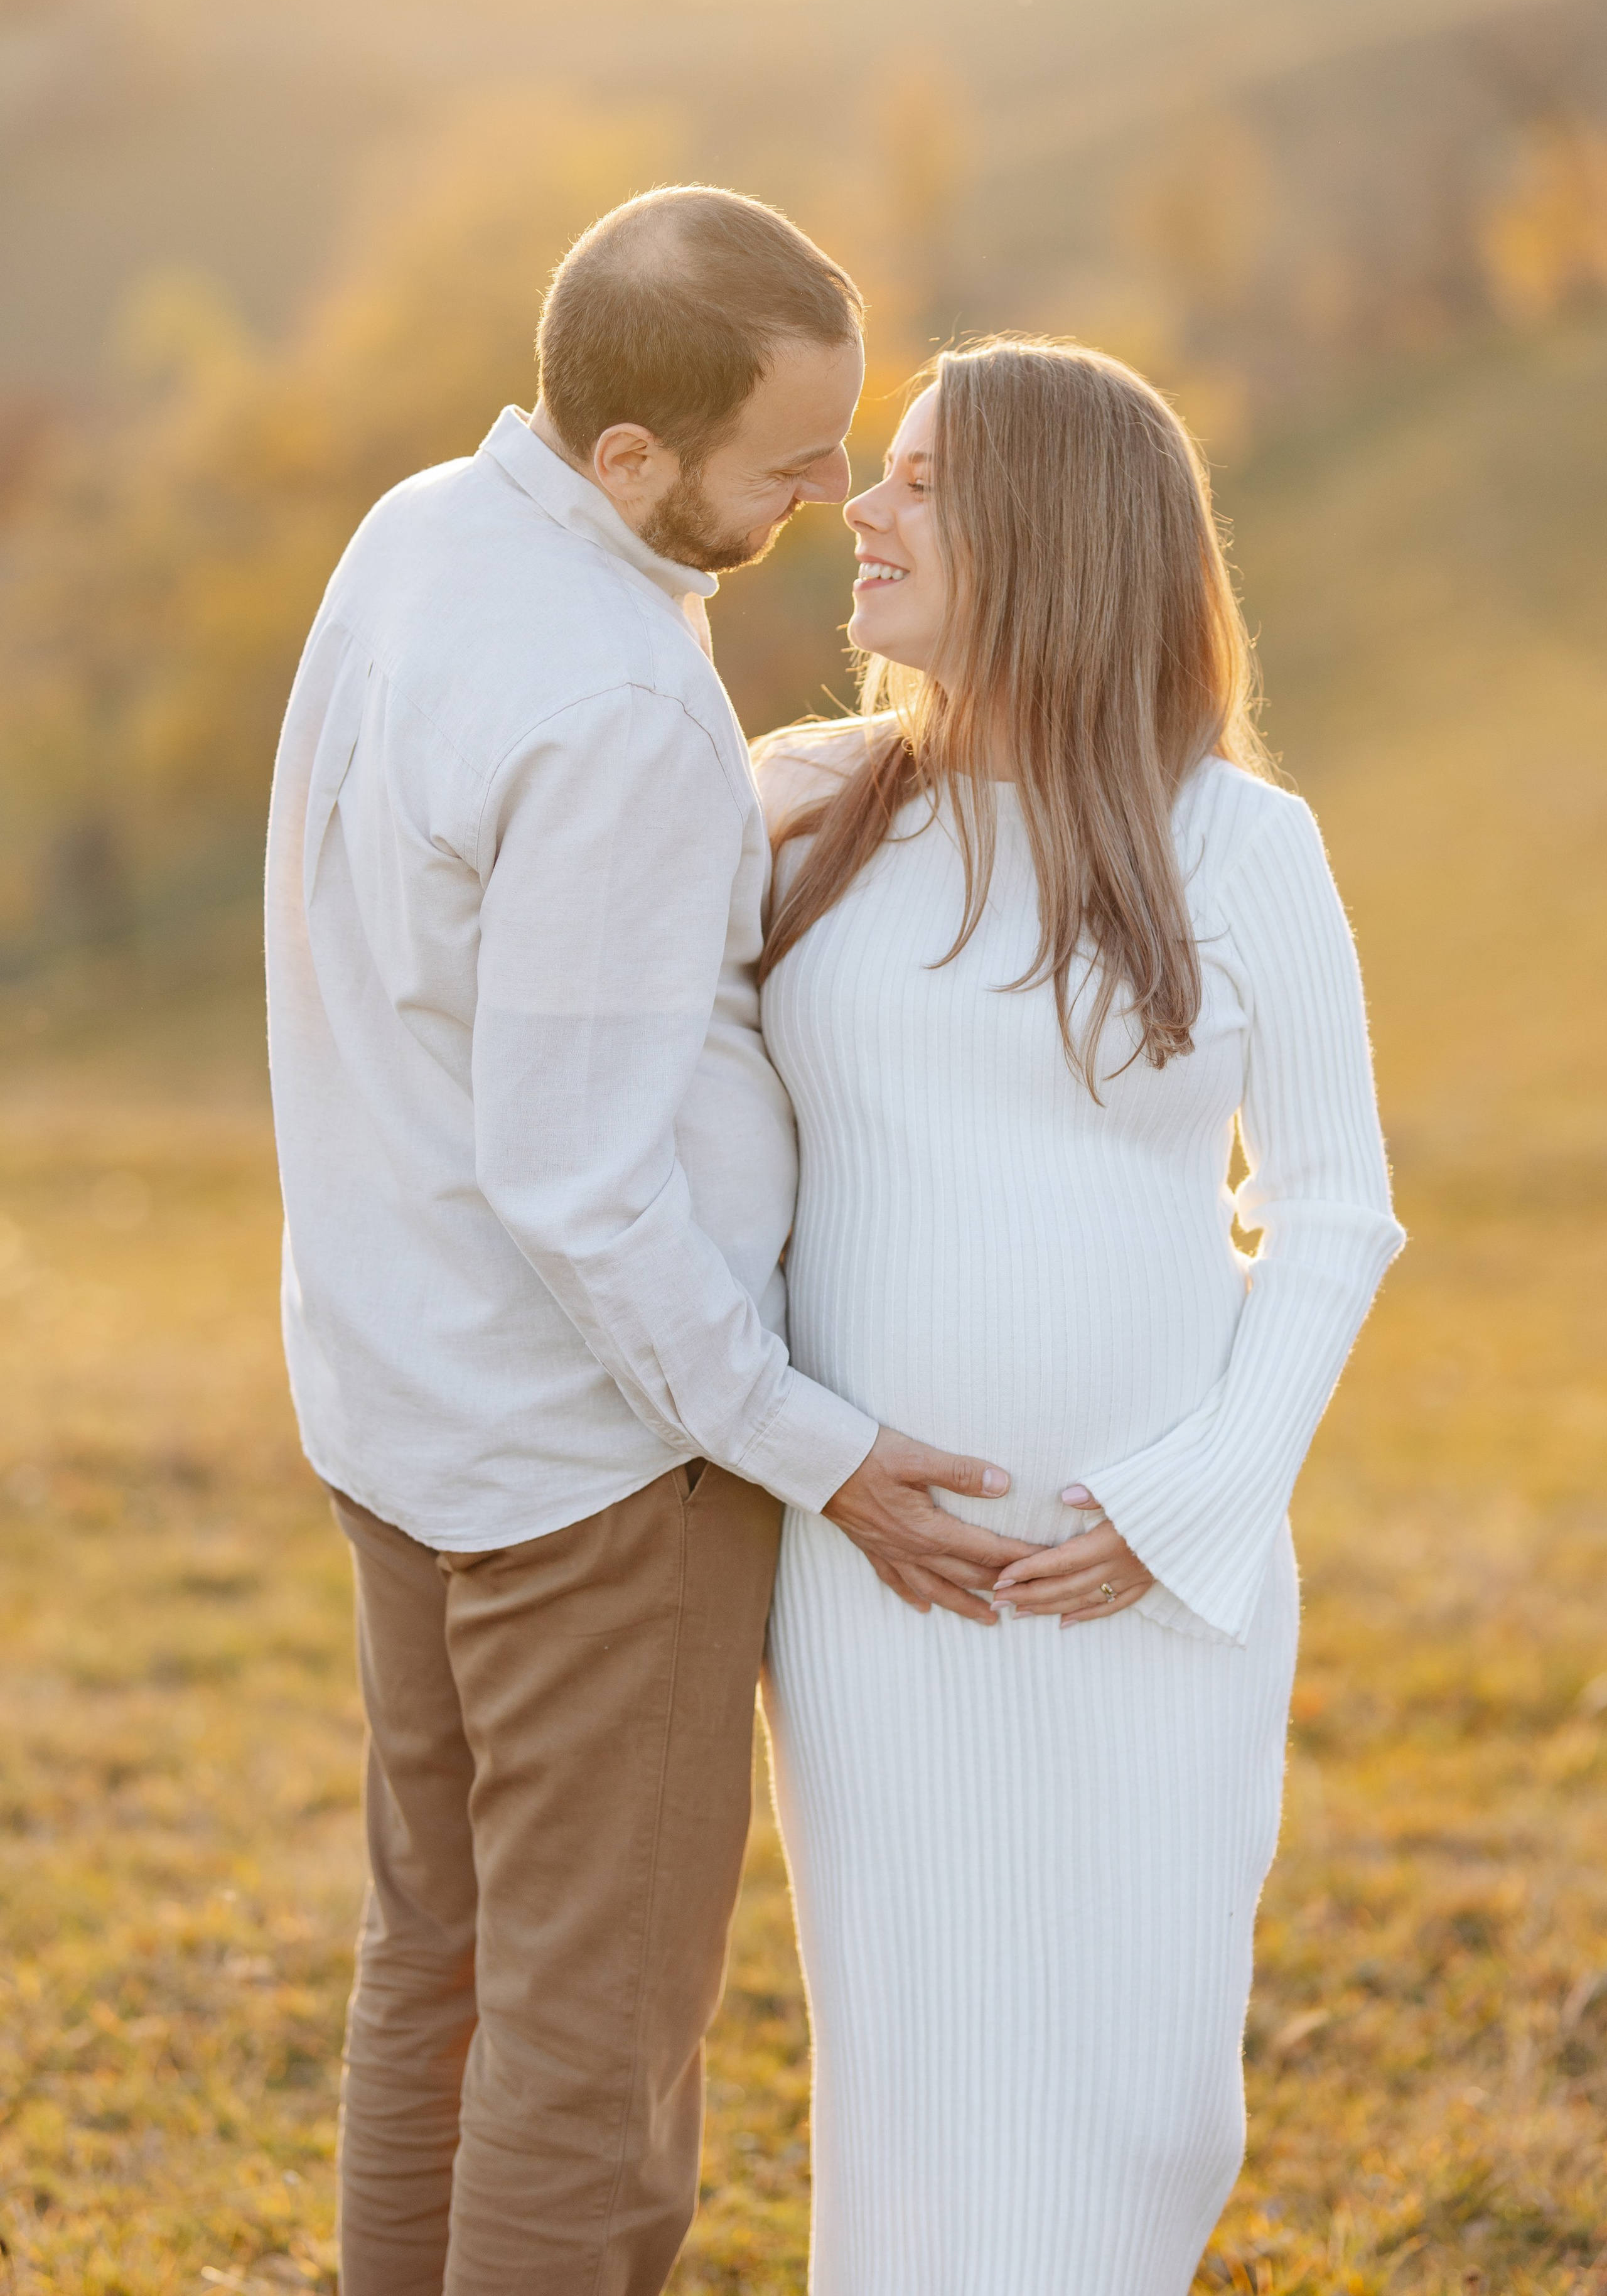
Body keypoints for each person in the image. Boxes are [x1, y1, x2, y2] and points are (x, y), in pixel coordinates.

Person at [263, 189, 1028, 2296]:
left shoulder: (432, 529)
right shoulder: (607, 699)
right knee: (588, 2064)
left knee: (443, 1966)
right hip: (594, 1465)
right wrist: (813, 1445)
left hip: (401, 1396)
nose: (830, 496)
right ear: (631, 461)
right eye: (790, 460)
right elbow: (585, 1179)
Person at [755, 337, 1405, 2295]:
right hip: (875, 1582)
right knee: (919, 2083)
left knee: (1145, 2115)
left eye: (922, 480)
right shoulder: (805, 805)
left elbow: (1333, 1211)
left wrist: (1188, 1507)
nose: (858, 508)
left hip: (1154, 1586)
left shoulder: (1235, 840)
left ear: (1052, 528)